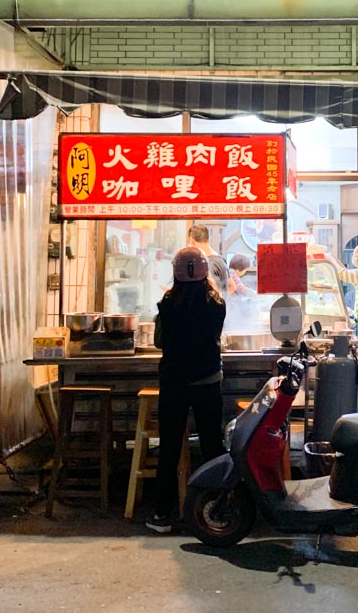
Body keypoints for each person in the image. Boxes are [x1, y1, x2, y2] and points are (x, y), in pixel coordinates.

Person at [147, 247, 226, 534]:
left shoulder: (166, 304)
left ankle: (161, 515)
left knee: (169, 448)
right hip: (207, 382)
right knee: (212, 447)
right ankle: (216, 509)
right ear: (205, 271)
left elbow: (160, 342)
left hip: (174, 383)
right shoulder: (217, 304)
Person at [187, 224, 228, 296]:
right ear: (208, 238)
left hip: (212, 306)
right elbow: (232, 286)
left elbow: (214, 292)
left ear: (191, 240)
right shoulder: (221, 260)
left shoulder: (207, 264)